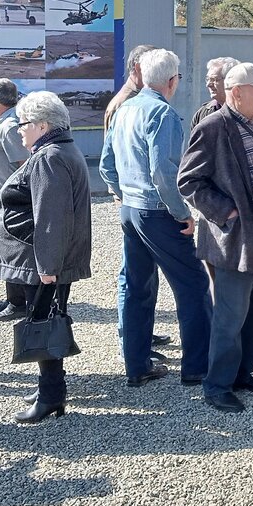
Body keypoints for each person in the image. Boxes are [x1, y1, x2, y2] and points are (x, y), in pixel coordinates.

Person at [100, 49, 213, 387]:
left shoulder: (125, 108)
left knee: (138, 287)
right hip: (158, 211)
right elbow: (163, 172)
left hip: (130, 209)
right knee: (193, 284)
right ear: (172, 81)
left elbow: (107, 165)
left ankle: (136, 365)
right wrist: (182, 212)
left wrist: (123, 191)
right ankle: (197, 366)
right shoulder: (162, 113)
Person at [178, 62, 253, 413]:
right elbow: (188, 181)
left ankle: (243, 373)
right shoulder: (212, 127)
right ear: (237, 93)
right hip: (235, 237)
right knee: (231, 314)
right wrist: (227, 211)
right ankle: (217, 384)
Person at [0, 91, 91, 423]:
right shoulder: (57, 151)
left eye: (24, 123)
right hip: (45, 260)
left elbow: (51, 215)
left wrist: (48, 266)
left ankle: (50, 396)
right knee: (47, 324)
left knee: (46, 327)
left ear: (43, 124)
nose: (19, 129)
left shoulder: (50, 157)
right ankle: (51, 391)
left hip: (44, 264)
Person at [101, 44, 172, 358]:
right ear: (138, 69)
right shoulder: (128, 103)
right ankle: (129, 339)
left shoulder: (131, 100)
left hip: (133, 199)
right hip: (139, 201)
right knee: (131, 275)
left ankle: (139, 335)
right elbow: (112, 159)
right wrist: (122, 191)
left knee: (141, 273)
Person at [0, 78, 28, 322]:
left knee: (11, 252)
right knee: (4, 251)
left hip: (9, 204)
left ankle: (17, 302)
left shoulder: (9, 126)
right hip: (0, 203)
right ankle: (13, 297)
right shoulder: (3, 122)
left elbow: (23, 166)